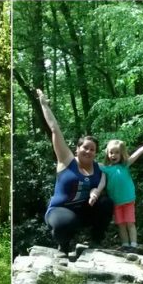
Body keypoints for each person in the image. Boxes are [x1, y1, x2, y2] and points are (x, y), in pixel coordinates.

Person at [37, 89, 113, 254]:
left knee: (106, 203)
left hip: (84, 211)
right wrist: (44, 105)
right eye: (85, 147)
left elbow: (114, 172)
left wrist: (96, 191)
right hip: (59, 210)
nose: (88, 151)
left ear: (96, 153)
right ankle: (63, 246)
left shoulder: (99, 169)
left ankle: (96, 242)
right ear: (77, 149)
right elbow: (55, 130)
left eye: (92, 149)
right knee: (65, 222)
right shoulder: (66, 161)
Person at [101, 135, 143, 251]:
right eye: (111, 152)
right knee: (121, 224)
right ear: (107, 154)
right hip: (116, 202)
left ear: (122, 154)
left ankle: (133, 245)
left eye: (117, 152)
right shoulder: (106, 168)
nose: (113, 155)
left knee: (130, 223)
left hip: (128, 200)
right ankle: (125, 244)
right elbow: (91, 163)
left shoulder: (125, 165)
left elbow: (138, 153)